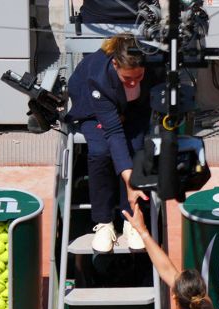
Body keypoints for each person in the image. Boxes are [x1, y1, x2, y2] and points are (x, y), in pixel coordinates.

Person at [66, 34, 152, 253]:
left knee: (137, 147)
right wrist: (131, 182)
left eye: (139, 77)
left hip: (132, 112)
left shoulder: (152, 66)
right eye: (127, 79)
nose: (133, 83)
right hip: (93, 111)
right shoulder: (98, 77)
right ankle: (104, 222)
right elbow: (113, 131)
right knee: (101, 151)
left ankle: (131, 218)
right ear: (115, 64)